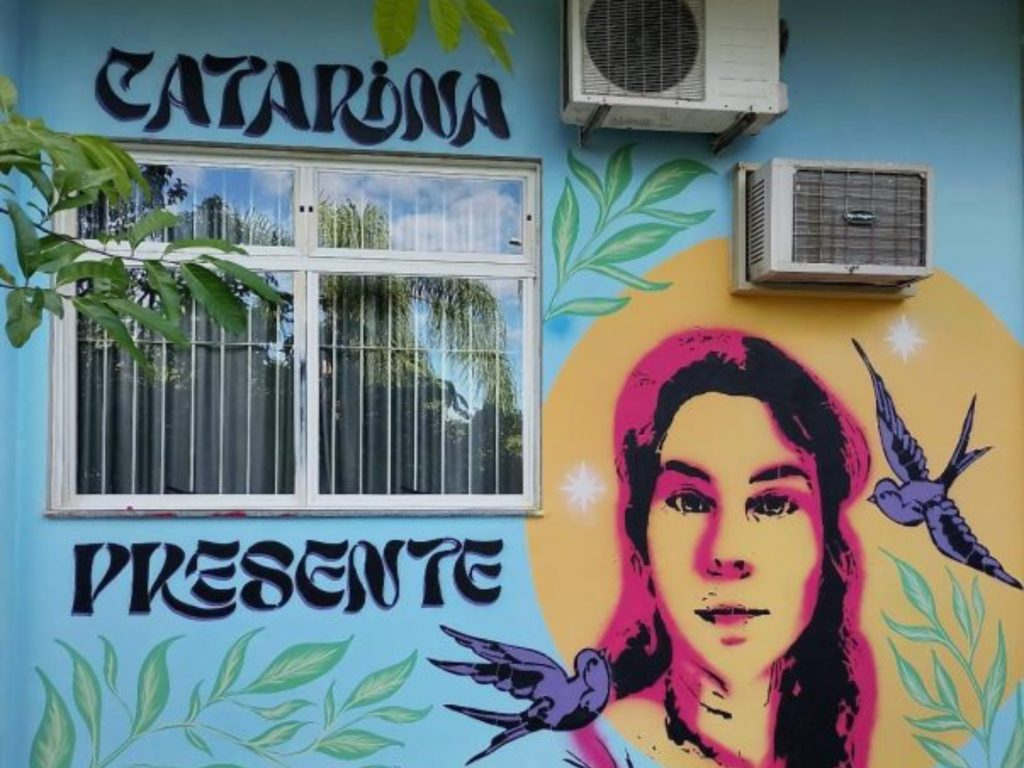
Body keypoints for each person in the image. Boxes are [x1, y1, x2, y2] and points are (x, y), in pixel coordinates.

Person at [585, 328, 876, 768]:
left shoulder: (839, 735)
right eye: (689, 502)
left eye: (774, 504)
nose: (726, 553)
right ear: (640, 539)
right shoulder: (605, 747)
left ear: (826, 542)